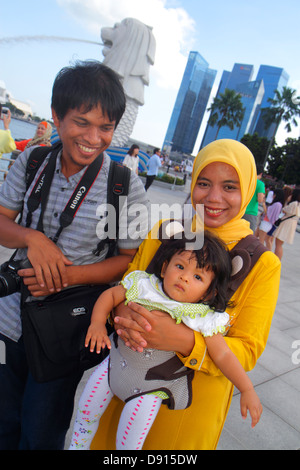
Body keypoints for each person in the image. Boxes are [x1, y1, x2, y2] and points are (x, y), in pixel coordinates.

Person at [90, 138, 281, 450]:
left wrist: (178, 338)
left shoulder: (262, 263)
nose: (214, 197)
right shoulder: (166, 231)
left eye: (230, 187)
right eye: (204, 183)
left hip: (189, 407)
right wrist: (122, 315)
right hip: (126, 382)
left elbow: (246, 351)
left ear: (247, 190)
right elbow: (127, 288)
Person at [0, 60, 149, 450]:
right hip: (9, 317)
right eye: (82, 122)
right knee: (3, 421)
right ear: (57, 116)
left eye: (106, 127)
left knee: (41, 433)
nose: (94, 137)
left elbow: (130, 263)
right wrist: (33, 238)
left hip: (63, 332)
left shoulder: (123, 185)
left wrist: (70, 277)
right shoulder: (31, 161)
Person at [69, 232, 262, 450]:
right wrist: (96, 323)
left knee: (130, 442)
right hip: (113, 365)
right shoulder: (145, 285)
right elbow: (112, 295)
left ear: (209, 293)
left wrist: (246, 389)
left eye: (198, 277)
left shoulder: (200, 316)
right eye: (180, 266)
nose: (185, 277)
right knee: (85, 412)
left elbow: (224, 354)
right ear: (164, 268)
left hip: (150, 388)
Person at [273, 188, 300, 260]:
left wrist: (287, 201)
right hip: (291, 224)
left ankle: (276, 260)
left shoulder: (294, 204)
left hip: (286, 224)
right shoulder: (298, 204)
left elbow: (284, 210)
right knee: (280, 244)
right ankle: (277, 260)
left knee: (278, 244)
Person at [243, 163, 266, 232]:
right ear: (261, 174)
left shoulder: (245, 180)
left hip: (239, 210)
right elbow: (260, 200)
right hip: (250, 212)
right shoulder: (260, 184)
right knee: (248, 235)